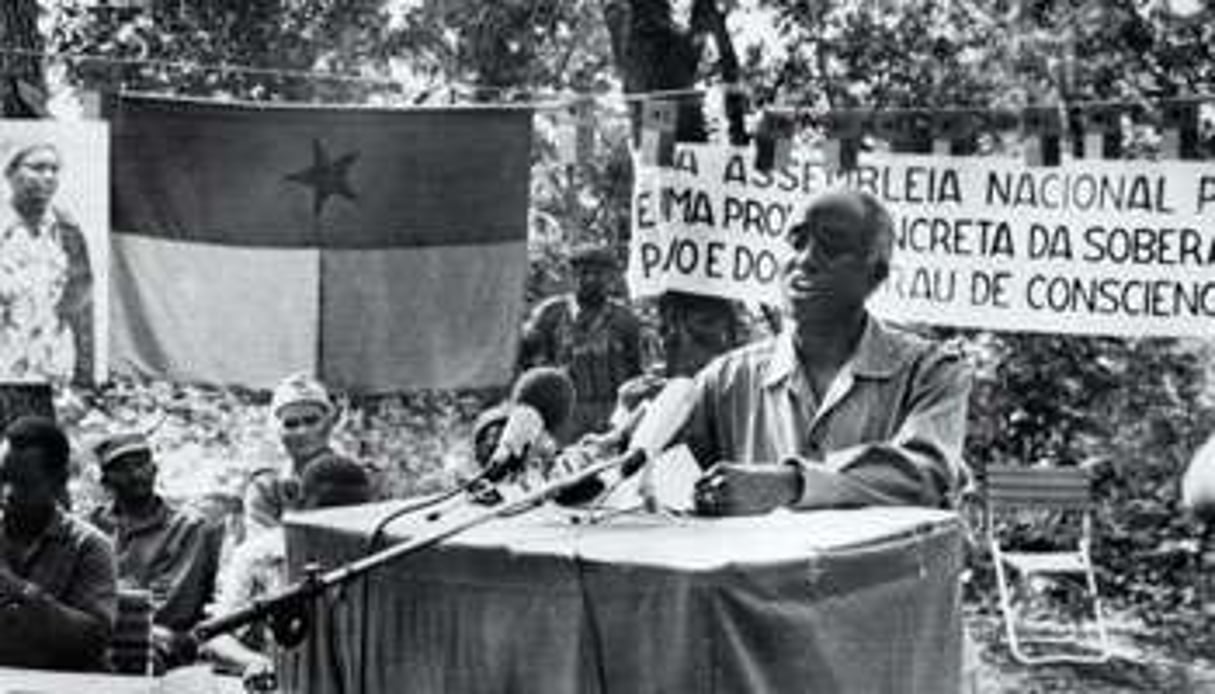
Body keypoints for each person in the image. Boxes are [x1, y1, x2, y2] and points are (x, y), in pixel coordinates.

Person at [683, 190, 973, 516]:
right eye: (796, 242)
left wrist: (790, 484)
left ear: (875, 275)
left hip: (881, 569)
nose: (805, 259)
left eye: (832, 247)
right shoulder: (723, 381)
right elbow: (654, 481)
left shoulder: (931, 372)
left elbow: (926, 474)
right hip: (762, 568)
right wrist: (638, 434)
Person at [204, 453, 373, 689]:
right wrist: (256, 663)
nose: (339, 524)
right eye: (328, 512)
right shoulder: (257, 556)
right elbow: (216, 638)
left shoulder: (378, 556)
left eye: (350, 514)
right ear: (302, 505)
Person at [88, 431, 223, 669]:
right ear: (106, 480)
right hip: (101, 635)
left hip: (163, 644)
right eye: (122, 468)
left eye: (141, 464)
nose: (135, 474)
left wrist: (104, 604)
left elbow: (170, 606)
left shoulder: (187, 528)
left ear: (154, 469)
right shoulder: (92, 525)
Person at [0, 416, 116, 671]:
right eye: (2, 479)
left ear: (58, 482)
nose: (6, 493)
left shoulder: (89, 546)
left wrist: (20, 593)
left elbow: (95, 640)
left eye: (22, 484)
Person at [519, 243, 643, 443]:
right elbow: (526, 362)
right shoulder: (551, 314)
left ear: (609, 277)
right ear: (572, 275)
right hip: (567, 417)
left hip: (614, 414)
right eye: (584, 273)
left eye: (598, 274)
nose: (591, 279)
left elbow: (636, 372)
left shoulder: (624, 319)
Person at [0, 142, 94, 384]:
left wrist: (85, 375)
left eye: (54, 169)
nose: (48, 176)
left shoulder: (68, 231)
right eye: (38, 167)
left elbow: (81, 306)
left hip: (51, 362)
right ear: (10, 173)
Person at [244, 373, 350, 537]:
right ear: (279, 432)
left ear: (328, 424)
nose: (302, 431)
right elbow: (261, 547)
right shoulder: (266, 488)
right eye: (291, 424)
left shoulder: (357, 478)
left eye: (311, 420)